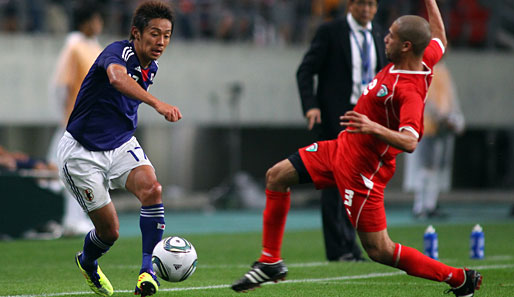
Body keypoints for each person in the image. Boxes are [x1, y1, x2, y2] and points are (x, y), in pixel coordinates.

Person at [232, 0, 482, 296]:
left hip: (362, 172)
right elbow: (440, 36)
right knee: (276, 175)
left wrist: (371, 126)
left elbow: (411, 140)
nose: (384, 38)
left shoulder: (409, 90)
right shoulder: (423, 55)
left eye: (390, 36)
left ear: (405, 46)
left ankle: (458, 278)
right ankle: (270, 261)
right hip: (340, 149)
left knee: (380, 250)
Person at [56, 1, 181, 296]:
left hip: (121, 143)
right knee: (109, 232)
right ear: (136, 33)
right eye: (154, 33)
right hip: (81, 153)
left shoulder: (152, 66)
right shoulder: (116, 53)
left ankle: (147, 272)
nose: (161, 41)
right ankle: (87, 262)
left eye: (167, 35)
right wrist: (156, 103)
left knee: (153, 189)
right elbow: (116, 78)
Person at [296, 0, 386, 262]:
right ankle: (338, 250)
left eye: (371, 4)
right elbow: (305, 70)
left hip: (368, 121)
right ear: (351, 5)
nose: (367, 9)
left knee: (360, 185)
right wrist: (310, 106)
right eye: (362, 3)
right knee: (334, 185)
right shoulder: (330, 31)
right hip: (337, 119)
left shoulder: (380, 34)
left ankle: (353, 246)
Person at [48, 2, 104, 237]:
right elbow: (61, 86)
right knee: (66, 171)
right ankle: (62, 219)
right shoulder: (74, 47)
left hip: (92, 122)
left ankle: (75, 219)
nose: (100, 23)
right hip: (75, 122)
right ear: (86, 22)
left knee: (83, 171)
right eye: (96, 19)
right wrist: (65, 117)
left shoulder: (94, 46)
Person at [403, 61, 465, 219]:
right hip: (428, 125)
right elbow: (425, 97)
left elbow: (450, 97)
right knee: (425, 168)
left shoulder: (443, 70)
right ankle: (420, 206)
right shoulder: (425, 69)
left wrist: (454, 118)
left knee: (437, 169)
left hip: (443, 127)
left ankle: (430, 204)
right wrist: (440, 117)